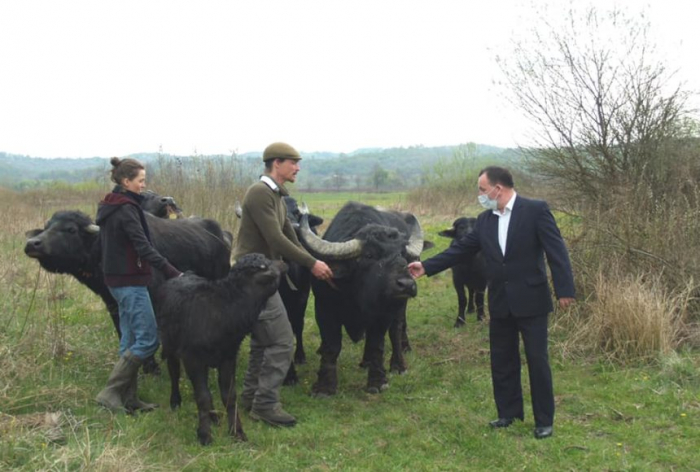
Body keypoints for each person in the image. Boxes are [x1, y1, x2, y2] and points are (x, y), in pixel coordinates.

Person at [408, 166, 575, 440]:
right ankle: (509, 413)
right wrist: (425, 266)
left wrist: (565, 289)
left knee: (537, 360)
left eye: (482, 190)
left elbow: (556, 250)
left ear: (498, 188)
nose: (480, 195)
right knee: (502, 360)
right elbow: (460, 249)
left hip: (531, 300)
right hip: (499, 301)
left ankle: (544, 420)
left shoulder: (535, 210)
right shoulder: (485, 220)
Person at [235, 142, 333, 427]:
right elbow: (276, 240)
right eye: (294, 162)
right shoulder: (259, 194)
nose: (298, 168)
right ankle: (265, 404)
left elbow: (290, 235)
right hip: (253, 276)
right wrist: (312, 264)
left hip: (262, 274)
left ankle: (252, 395)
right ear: (276, 163)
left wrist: (315, 260)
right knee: (282, 341)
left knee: (262, 342)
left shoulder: (276, 196)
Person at [95, 157, 183, 413]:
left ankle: (129, 399)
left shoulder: (110, 205)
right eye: (141, 181)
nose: (144, 185)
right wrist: (172, 272)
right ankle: (111, 391)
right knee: (148, 339)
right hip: (130, 281)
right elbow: (143, 246)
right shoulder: (126, 209)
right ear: (126, 181)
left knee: (130, 339)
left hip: (116, 280)